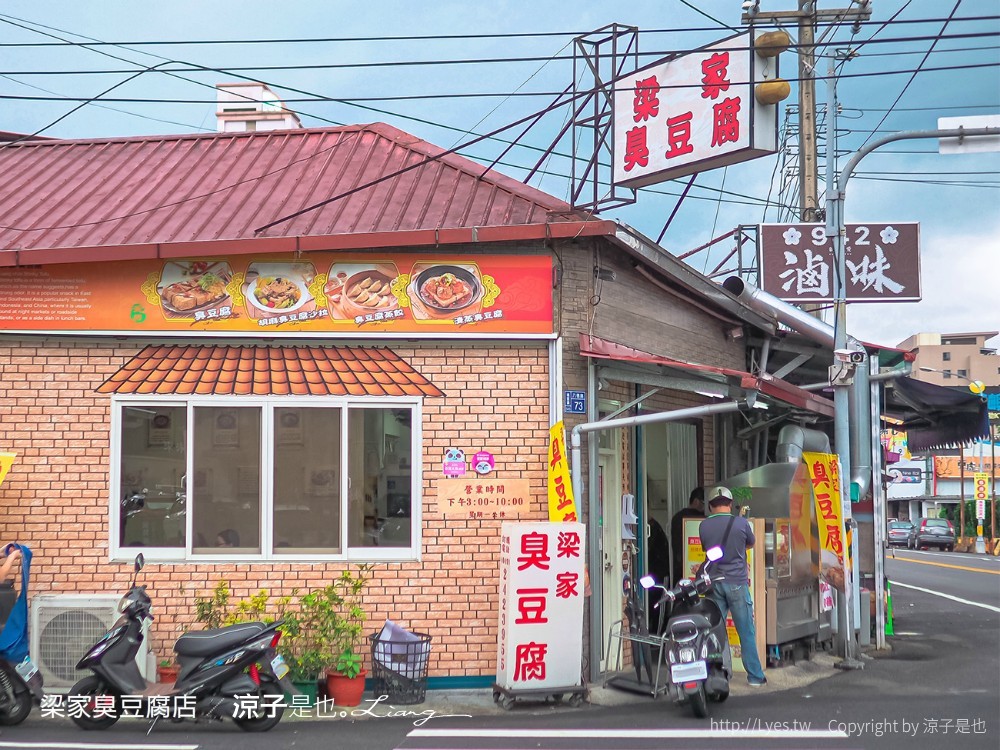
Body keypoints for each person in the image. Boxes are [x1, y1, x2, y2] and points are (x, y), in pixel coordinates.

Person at [698, 487, 767, 687]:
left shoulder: (704, 526)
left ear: (711, 506)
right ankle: (755, 676)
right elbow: (751, 543)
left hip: (713, 584)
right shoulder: (741, 523)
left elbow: (707, 549)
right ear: (730, 504)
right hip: (736, 583)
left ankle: (721, 675)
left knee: (716, 632)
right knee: (745, 630)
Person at [670, 486, 704, 585]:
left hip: (679, 564)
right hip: (696, 565)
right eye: (703, 503)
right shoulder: (700, 518)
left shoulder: (677, 517)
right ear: (696, 501)